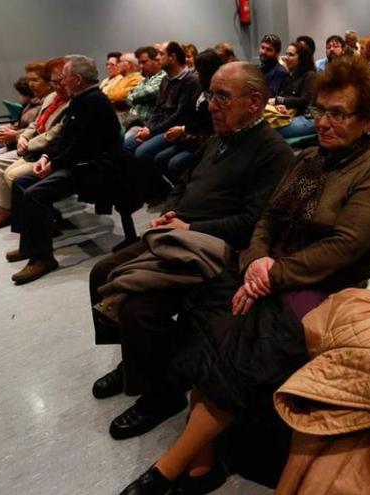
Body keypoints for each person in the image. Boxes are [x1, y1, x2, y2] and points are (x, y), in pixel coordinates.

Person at [118, 55, 370, 494]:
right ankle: (202, 463)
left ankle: (172, 466)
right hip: (270, 269)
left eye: (338, 113)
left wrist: (272, 274)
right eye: (320, 111)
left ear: (366, 121)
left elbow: (344, 249)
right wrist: (255, 262)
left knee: (243, 336)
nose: (324, 122)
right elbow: (267, 218)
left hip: (323, 287)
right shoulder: (308, 159)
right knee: (203, 308)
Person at [89, 62, 294, 440]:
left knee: (138, 306)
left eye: (222, 97)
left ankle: (161, 396)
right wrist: (172, 209)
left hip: (214, 249)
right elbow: (183, 183)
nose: (211, 104)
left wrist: (191, 227)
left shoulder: (273, 151)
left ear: (253, 103)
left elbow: (254, 221)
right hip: (178, 234)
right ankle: (132, 359)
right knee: (102, 272)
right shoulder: (218, 138)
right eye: (210, 94)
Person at [6, 55, 122, 284]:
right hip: (78, 163)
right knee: (21, 183)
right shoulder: (80, 100)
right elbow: (65, 140)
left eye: (64, 76)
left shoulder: (94, 102)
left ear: (77, 79)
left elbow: (81, 148)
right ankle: (30, 245)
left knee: (35, 193)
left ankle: (43, 258)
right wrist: (47, 156)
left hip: (94, 169)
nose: (60, 80)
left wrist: (52, 165)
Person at [0, 58, 70, 233]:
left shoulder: (72, 102)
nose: (31, 84)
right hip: (35, 147)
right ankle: (8, 208)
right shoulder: (50, 98)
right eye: (29, 80)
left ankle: (17, 215)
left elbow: (55, 134)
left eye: (35, 80)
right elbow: (36, 124)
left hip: (47, 150)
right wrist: (22, 136)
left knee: (10, 172)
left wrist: (23, 140)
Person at [123, 42, 201, 165]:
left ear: (173, 57)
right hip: (159, 127)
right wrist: (148, 127)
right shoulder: (165, 80)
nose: (157, 57)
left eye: (161, 54)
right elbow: (158, 109)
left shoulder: (190, 81)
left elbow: (180, 115)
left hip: (174, 129)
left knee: (141, 152)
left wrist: (152, 131)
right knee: (127, 144)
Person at [153, 49, 224, 183]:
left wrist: (184, 129)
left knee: (175, 163)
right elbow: (189, 113)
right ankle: (175, 193)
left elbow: (209, 122)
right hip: (190, 135)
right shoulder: (200, 88)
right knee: (160, 158)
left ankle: (187, 193)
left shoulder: (218, 92)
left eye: (199, 70)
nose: (195, 72)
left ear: (208, 71)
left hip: (207, 139)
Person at [271, 41, 318, 138]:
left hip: (307, 117)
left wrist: (278, 100)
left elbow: (305, 101)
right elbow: (284, 95)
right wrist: (281, 106)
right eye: (286, 54)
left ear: (301, 59)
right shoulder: (290, 76)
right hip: (290, 114)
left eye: (291, 55)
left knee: (273, 131)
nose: (286, 58)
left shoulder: (310, 75)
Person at [120, 45, 166, 129]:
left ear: (156, 60)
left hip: (144, 125)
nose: (141, 66)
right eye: (140, 63)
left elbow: (147, 93)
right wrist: (133, 96)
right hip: (131, 121)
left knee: (123, 141)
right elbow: (128, 98)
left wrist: (132, 96)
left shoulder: (163, 78)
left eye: (144, 62)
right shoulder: (145, 79)